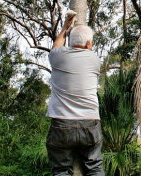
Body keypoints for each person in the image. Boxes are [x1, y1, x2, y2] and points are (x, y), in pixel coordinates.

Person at [46, 14, 104, 176]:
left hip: (62, 123)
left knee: (61, 170)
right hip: (90, 122)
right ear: (88, 44)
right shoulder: (94, 59)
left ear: (70, 42)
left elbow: (57, 46)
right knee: (95, 168)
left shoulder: (57, 56)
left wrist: (65, 27)